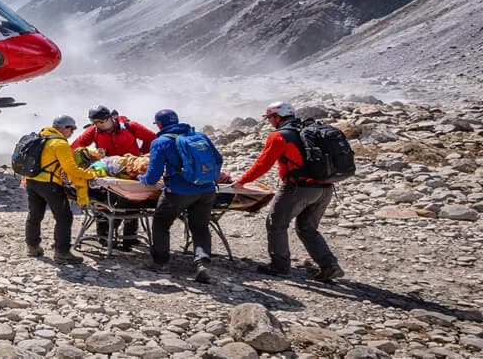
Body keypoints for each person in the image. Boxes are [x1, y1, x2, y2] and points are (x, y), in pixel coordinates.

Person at [232, 101, 344, 281]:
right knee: (307, 228)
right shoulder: (309, 130)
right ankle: (329, 265)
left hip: (298, 188)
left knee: (275, 223)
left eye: (270, 118)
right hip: (325, 187)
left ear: (277, 117)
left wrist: (242, 182)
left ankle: (280, 266)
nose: (269, 122)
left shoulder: (279, 136)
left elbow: (263, 164)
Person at [137, 109, 223, 283]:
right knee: (200, 226)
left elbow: (153, 175)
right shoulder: (199, 136)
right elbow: (218, 160)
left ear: (159, 125)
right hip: (206, 190)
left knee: (161, 224)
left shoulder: (160, 142)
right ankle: (202, 263)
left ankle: (160, 263)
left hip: (178, 192)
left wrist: (142, 178)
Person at [70, 105, 157, 250]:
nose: (99, 125)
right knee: (106, 203)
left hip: (131, 170)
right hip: (109, 172)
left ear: (111, 118)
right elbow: (77, 146)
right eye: (96, 123)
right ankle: (104, 236)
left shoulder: (130, 126)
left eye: (102, 122)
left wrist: (143, 155)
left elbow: (152, 139)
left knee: (134, 202)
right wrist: (88, 156)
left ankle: (130, 238)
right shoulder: (93, 130)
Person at [25, 115, 99, 264]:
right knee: (64, 217)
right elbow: (71, 169)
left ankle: (32, 246)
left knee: (35, 215)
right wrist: (91, 175)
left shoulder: (41, 136)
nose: (72, 133)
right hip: (50, 184)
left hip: (31, 181)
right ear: (65, 128)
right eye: (72, 129)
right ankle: (62, 252)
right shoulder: (60, 144)